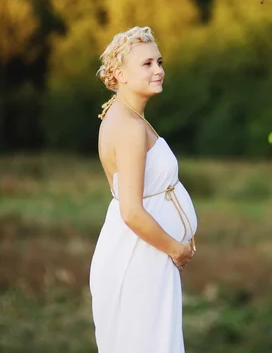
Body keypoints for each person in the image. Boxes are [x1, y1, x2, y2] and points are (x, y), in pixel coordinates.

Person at [89, 26, 198, 352]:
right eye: (147, 64)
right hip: (139, 256)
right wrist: (175, 249)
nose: (159, 70)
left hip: (145, 254)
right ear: (120, 74)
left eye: (159, 61)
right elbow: (132, 211)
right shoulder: (129, 126)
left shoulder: (127, 116)